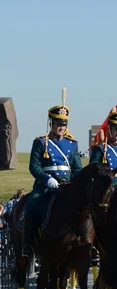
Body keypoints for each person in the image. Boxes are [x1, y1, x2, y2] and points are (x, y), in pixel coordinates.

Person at [22, 89, 82, 257]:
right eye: (57, 123)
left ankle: (85, 244)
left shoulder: (72, 144)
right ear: (51, 123)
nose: (60, 127)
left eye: (63, 124)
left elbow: (76, 168)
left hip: (66, 186)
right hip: (45, 187)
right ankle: (27, 245)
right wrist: (47, 179)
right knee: (31, 207)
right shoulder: (40, 142)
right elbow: (34, 166)